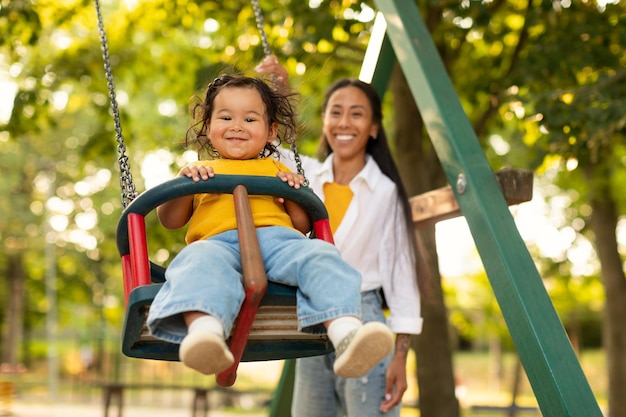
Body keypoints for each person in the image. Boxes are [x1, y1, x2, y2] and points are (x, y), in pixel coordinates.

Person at [146, 74, 395, 378]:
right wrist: (183, 183)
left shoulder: (277, 168)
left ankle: (347, 335)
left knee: (320, 254)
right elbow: (170, 220)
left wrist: (293, 192)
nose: (237, 125)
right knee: (197, 262)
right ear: (208, 127)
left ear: (270, 132)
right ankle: (205, 336)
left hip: (279, 243)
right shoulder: (201, 172)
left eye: (250, 119)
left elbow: (303, 225)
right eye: (226, 117)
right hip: (216, 245)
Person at [256, 56, 423, 416]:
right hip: (311, 319)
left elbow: (401, 277)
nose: (344, 122)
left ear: (374, 128)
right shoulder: (307, 176)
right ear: (325, 122)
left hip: (363, 318)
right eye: (335, 112)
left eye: (357, 113)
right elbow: (265, 147)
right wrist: (278, 93)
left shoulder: (385, 192)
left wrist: (401, 356)